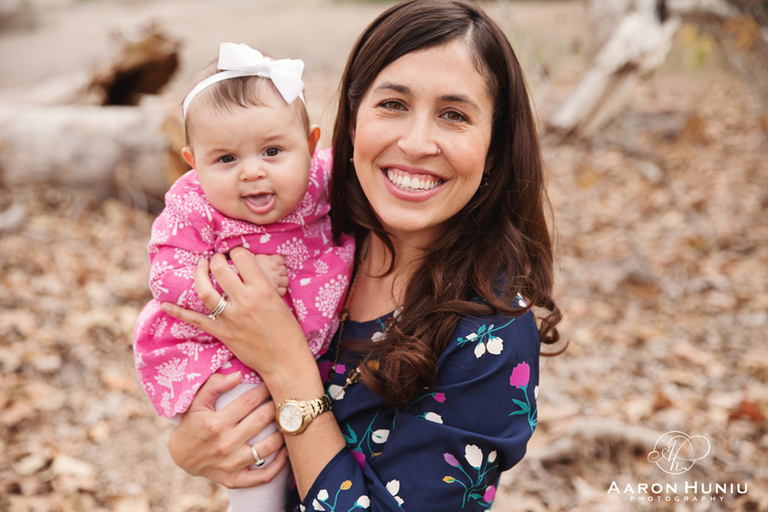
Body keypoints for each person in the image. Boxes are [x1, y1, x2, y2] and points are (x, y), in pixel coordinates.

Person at [160, 1, 563, 510]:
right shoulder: (310, 222)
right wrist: (192, 445)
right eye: (393, 105)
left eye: (455, 115)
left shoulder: (491, 332)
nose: (417, 143)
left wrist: (287, 367)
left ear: (494, 149)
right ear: (352, 120)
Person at [132, 42, 354, 512]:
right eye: (226, 159)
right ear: (194, 163)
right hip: (222, 351)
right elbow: (167, 275)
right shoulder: (194, 205)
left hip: (305, 344)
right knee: (257, 446)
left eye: (273, 150)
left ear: (311, 146)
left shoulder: (321, 178)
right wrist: (237, 274)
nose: (252, 172)